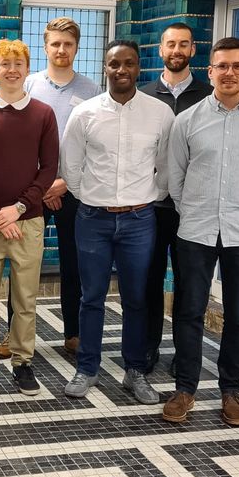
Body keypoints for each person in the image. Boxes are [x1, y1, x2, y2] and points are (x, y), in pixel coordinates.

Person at [164, 36, 239, 427]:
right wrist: (194, 211)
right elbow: (175, 178)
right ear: (211, 70)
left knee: (238, 315)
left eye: (237, 66)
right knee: (189, 312)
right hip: (196, 230)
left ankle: (231, 390)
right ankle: (185, 388)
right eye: (222, 66)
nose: (229, 73)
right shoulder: (188, 120)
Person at [61, 40, 175, 404]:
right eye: (114, 64)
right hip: (92, 219)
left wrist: (147, 198)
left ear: (139, 68)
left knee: (137, 299)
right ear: (105, 68)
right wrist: (90, 197)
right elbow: (71, 165)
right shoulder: (86, 113)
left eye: (129, 64)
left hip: (140, 220)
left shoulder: (160, 113)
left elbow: (167, 166)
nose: (121, 70)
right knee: (91, 296)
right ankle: (88, 367)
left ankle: (136, 371)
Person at [0, 40, 59, 396]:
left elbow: (48, 168)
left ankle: (22, 362)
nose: (12, 70)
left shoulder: (43, 114)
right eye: (5, 63)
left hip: (28, 221)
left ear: (27, 68)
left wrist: (17, 209)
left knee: (25, 296)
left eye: (18, 63)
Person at [5, 16, 99, 358]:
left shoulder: (91, 91)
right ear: (45, 47)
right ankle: (14, 333)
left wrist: (63, 183)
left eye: (68, 44)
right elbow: (14, 140)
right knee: (21, 263)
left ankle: (73, 333)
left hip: (72, 191)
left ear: (77, 47)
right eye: (55, 44)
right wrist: (41, 185)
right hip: (31, 191)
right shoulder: (27, 85)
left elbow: (94, 145)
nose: (62, 50)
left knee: (74, 264)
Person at [139, 23, 212, 374]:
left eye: (184, 44)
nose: (177, 50)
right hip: (152, 206)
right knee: (149, 281)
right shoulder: (143, 96)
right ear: (161, 49)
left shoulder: (209, 96)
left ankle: (185, 355)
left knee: (190, 285)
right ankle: (148, 348)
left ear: (194, 50)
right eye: (171, 44)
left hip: (193, 208)